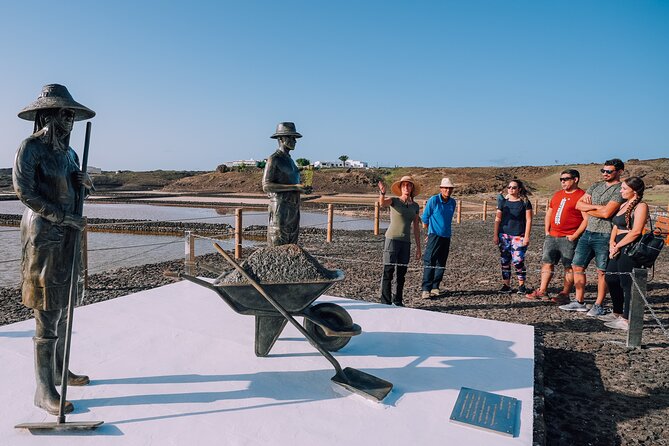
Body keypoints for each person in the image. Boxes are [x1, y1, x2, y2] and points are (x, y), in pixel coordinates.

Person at [13, 84, 95, 415]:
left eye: (72, 112)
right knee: (46, 308)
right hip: (44, 233)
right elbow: (24, 191)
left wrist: (84, 187)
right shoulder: (31, 148)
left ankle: (61, 370)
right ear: (48, 115)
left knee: (63, 302)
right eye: (65, 112)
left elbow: (75, 196)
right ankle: (43, 388)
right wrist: (62, 216)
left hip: (67, 234)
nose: (71, 117)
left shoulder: (70, 154)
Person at [559, 159, 625, 315]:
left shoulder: (619, 190)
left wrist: (590, 208)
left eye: (609, 171)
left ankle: (598, 304)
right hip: (588, 232)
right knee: (577, 266)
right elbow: (578, 205)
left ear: (620, 172)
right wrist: (598, 208)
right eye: (603, 171)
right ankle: (579, 301)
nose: (605, 174)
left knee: (602, 271)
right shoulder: (596, 185)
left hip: (606, 234)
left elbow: (607, 213)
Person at [524, 170, 588, 302]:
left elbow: (586, 219)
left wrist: (575, 235)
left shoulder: (582, 196)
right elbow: (550, 212)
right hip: (552, 235)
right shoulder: (558, 194)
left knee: (568, 266)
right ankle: (542, 290)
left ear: (575, 179)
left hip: (568, 238)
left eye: (566, 179)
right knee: (547, 263)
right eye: (561, 179)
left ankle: (565, 293)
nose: (563, 181)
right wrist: (547, 230)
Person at [599, 177, 649, 330]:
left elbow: (635, 232)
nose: (621, 191)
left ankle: (628, 318)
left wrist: (618, 245)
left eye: (624, 189)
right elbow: (615, 225)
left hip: (629, 245)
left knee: (627, 283)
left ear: (634, 191)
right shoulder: (623, 204)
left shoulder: (640, 206)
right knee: (611, 277)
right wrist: (612, 242)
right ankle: (617, 311)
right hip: (617, 243)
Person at [378, 175, 422, 306]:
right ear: (401, 188)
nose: (406, 187)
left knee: (401, 273)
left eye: (409, 185)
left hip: (406, 242)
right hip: (392, 239)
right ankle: (385, 301)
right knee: (388, 271)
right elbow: (382, 203)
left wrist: (419, 248)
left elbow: (416, 228)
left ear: (412, 188)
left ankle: (398, 300)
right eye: (404, 185)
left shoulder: (415, 206)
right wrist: (382, 193)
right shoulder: (394, 201)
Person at [262, 122, 308, 246]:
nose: (295, 141)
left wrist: (302, 188)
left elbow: (292, 180)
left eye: (295, 138)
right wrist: (295, 187)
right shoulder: (274, 159)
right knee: (278, 241)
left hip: (293, 208)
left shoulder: (290, 161)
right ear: (281, 139)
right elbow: (266, 186)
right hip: (280, 209)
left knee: (292, 241)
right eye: (291, 137)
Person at [494, 179, 533, 294]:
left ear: (519, 189)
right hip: (504, 236)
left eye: (514, 187)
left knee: (518, 260)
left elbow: (529, 220)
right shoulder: (503, 202)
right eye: (509, 187)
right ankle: (506, 285)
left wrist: (527, 236)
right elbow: (498, 219)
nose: (511, 189)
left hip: (518, 236)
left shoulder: (525, 202)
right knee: (505, 260)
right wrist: (495, 235)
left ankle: (522, 285)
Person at [420, 177, 456, 298]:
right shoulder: (434, 200)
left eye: (450, 188)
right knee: (430, 260)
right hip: (434, 235)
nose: (448, 190)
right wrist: (429, 232)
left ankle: (435, 287)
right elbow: (425, 217)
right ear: (441, 189)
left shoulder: (453, 202)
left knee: (441, 262)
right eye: (445, 188)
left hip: (446, 235)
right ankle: (426, 288)